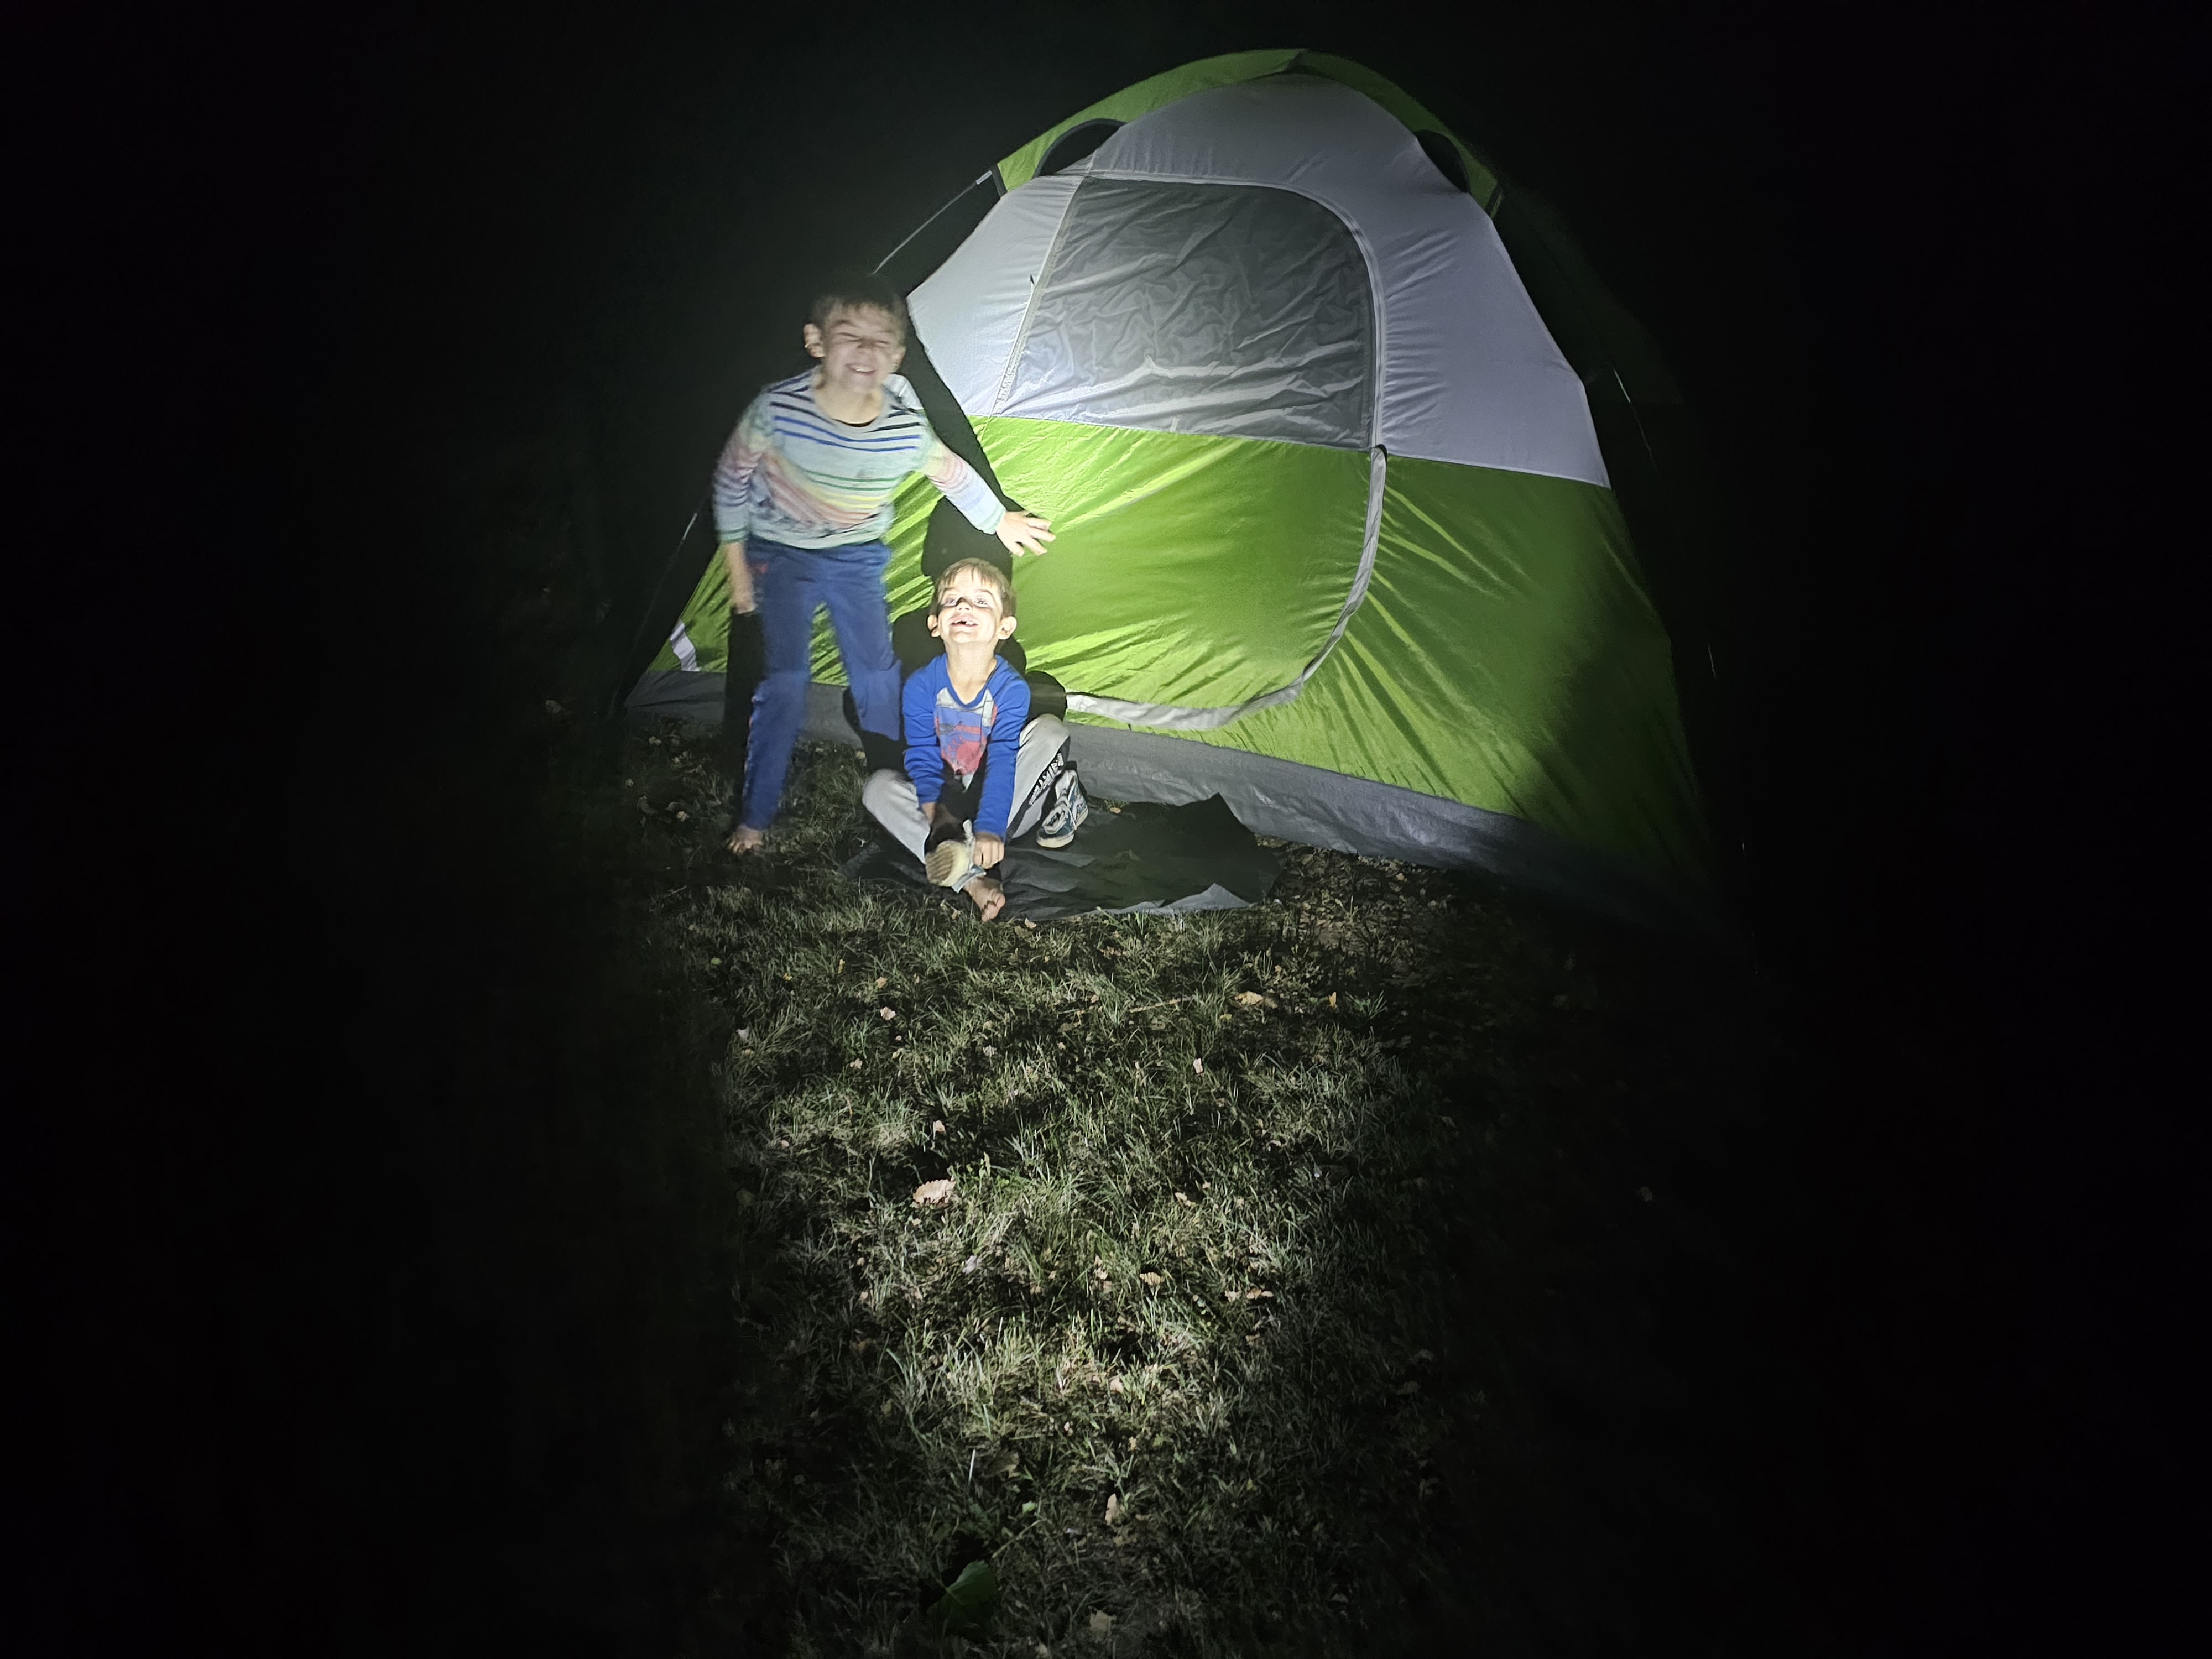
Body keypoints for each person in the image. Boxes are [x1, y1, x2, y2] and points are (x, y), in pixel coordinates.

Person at [715, 274, 1054, 853]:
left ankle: (915, 793)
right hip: (782, 556)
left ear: (898, 357)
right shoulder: (776, 410)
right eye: (850, 336)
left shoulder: (902, 428)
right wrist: (737, 570)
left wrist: (1000, 521)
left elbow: (952, 473)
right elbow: (731, 481)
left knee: (877, 680)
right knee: (786, 684)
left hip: (854, 558)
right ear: (816, 341)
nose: (865, 352)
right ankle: (755, 818)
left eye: (880, 342)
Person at [863, 559, 1089, 921]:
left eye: (981, 601)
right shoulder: (921, 686)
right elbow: (923, 760)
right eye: (953, 600)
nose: (965, 606)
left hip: (1004, 800)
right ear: (935, 623)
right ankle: (971, 879)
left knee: (1050, 732)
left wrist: (988, 829)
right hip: (952, 800)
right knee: (877, 789)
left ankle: (973, 854)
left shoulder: (1010, 688)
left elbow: (1002, 763)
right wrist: (940, 821)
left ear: (1004, 627)